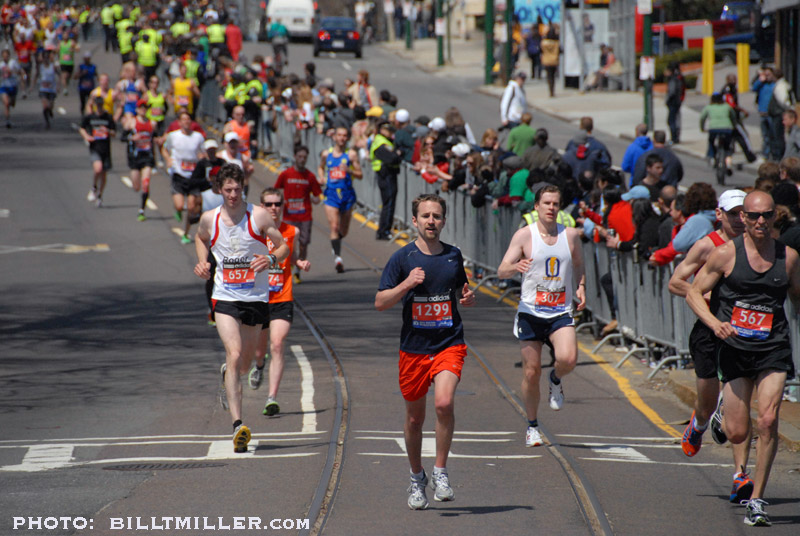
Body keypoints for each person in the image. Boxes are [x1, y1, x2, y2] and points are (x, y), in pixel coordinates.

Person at [686, 190, 800, 527]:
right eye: (753, 216)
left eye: (767, 215)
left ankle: (757, 499)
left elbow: (797, 299)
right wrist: (715, 323)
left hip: (772, 348)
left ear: (774, 217)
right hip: (734, 349)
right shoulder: (724, 255)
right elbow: (693, 291)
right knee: (737, 432)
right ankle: (724, 413)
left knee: (767, 420)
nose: (761, 221)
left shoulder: (789, 258)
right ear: (744, 220)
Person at [375, 193, 476, 510]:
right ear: (415, 221)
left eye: (437, 216)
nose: (431, 221)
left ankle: (441, 472)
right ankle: (416, 477)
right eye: (425, 216)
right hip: (414, 349)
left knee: (444, 403)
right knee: (415, 419)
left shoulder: (453, 256)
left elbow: (461, 289)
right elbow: (380, 302)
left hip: (449, 343)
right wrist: (406, 285)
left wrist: (467, 297)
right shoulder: (402, 259)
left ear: (444, 221)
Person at [193, 164, 289, 453]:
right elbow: (200, 239)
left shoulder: (257, 215)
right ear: (219, 190)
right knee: (233, 354)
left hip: (256, 299)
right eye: (228, 190)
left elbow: (282, 246)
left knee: (244, 365)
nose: (233, 195)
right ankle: (238, 426)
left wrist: (270, 259)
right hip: (224, 297)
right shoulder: (210, 219)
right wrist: (204, 262)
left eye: (238, 189)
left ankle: (229, 374)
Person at [668, 189, 754, 504]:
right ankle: (701, 421)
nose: (738, 219)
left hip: (742, 335)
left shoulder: (756, 246)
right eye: (732, 213)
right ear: (719, 214)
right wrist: (703, 297)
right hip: (708, 331)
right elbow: (676, 281)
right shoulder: (708, 245)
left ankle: (740, 475)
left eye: (742, 213)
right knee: (707, 401)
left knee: (740, 408)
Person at [497, 185, 586, 447]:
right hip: (531, 311)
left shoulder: (570, 236)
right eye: (546, 203)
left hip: (559, 310)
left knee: (568, 359)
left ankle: (556, 379)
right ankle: (532, 426)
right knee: (531, 372)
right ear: (536, 207)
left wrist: (580, 286)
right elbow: (502, 269)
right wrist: (515, 266)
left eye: (555, 204)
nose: (551, 208)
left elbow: (579, 263)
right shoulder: (525, 235)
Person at [247, 188, 312, 415]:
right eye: (269, 204)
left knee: (277, 344)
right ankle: (259, 365)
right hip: (258, 297)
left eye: (278, 204)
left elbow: (290, 255)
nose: (274, 208)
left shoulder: (290, 231)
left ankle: (271, 397)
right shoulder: (253, 232)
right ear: (261, 206)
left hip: (282, 297)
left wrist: (299, 263)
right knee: (259, 350)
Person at [318, 126, 363, 272]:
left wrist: (349, 170)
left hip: (347, 195)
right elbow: (320, 167)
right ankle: (338, 258)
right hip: (331, 194)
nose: (342, 138)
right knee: (334, 226)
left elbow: (360, 174)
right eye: (339, 135)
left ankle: (335, 242)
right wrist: (322, 177)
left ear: (347, 138)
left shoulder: (351, 155)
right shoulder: (326, 154)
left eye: (345, 136)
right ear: (334, 137)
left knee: (343, 230)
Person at [274, 145, 322, 282]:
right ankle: (286, 268)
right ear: (295, 157)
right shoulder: (286, 174)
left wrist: (315, 199)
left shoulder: (310, 176)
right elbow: (276, 190)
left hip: (305, 216)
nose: (302, 159)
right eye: (300, 157)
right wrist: (280, 202)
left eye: (304, 157)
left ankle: (297, 271)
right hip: (289, 215)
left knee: (303, 244)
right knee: (288, 244)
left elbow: (318, 196)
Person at [162, 111, 206, 244]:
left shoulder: (198, 137)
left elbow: (202, 152)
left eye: (188, 119)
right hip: (179, 174)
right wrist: (168, 159)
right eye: (183, 119)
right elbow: (164, 149)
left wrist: (201, 158)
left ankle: (186, 234)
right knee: (180, 205)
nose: (186, 122)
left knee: (192, 208)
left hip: (193, 176)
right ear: (179, 122)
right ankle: (178, 210)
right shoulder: (173, 136)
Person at [78, 96, 116, 208]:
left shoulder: (108, 117)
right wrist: (87, 137)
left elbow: (114, 133)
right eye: (97, 105)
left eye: (100, 105)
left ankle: (100, 195)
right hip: (95, 147)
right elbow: (82, 128)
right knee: (98, 168)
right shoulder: (90, 117)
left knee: (104, 174)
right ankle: (94, 187)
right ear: (94, 105)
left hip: (106, 148)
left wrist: (107, 131)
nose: (99, 107)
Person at [123, 99, 156, 221]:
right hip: (135, 157)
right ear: (137, 109)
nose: (143, 109)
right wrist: (132, 138)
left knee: (145, 183)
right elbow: (122, 137)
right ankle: (139, 195)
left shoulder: (152, 123)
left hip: (147, 157)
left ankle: (141, 210)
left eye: (145, 107)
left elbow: (156, 137)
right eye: (141, 107)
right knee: (136, 186)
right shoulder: (131, 122)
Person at [371, 121, 403, 241]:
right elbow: (393, 158)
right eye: (388, 130)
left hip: (387, 174)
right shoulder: (381, 142)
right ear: (382, 130)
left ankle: (383, 230)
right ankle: (384, 231)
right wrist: (397, 154)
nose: (391, 133)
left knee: (388, 203)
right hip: (386, 174)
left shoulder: (384, 141)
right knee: (389, 203)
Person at [699, 93, 736, 170]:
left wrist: (702, 128)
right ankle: (728, 163)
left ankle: (712, 157)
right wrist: (734, 126)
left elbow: (702, 118)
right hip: (727, 128)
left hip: (713, 129)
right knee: (727, 146)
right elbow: (733, 117)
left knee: (711, 143)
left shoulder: (709, 107)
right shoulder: (727, 106)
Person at [35, 49, 59, 128]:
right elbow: (36, 75)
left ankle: (50, 111)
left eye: (47, 58)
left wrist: (59, 85)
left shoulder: (53, 66)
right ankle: (47, 122)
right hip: (43, 90)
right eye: (44, 58)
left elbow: (60, 75)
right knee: (45, 106)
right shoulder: (40, 67)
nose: (45, 59)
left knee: (50, 106)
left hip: (52, 89)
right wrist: (32, 86)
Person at [0, 47, 23, 128]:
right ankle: (7, 121)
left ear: (9, 56)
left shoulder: (13, 63)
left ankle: (12, 102)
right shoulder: (1, 65)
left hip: (13, 86)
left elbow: (20, 71)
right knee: (6, 104)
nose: (5, 58)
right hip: (4, 87)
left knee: (11, 103)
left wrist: (17, 73)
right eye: (4, 56)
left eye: (6, 56)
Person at [665, 62, 685, 144]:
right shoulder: (679, 78)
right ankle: (675, 137)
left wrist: (667, 100)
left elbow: (672, 92)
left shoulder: (673, 79)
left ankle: (674, 138)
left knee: (671, 120)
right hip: (678, 102)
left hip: (673, 102)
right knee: (675, 119)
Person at [74, 52, 96, 116]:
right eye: (85, 58)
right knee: (83, 102)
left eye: (88, 58)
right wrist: (82, 73)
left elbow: (96, 75)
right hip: (82, 88)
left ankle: (90, 114)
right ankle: (83, 114)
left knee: (91, 102)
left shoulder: (93, 66)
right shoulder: (81, 67)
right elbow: (75, 77)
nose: (87, 60)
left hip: (90, 88)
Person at [540, 27, 559, 98]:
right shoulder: (556, 43)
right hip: (554, 61)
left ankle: (550, 90)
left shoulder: (544, 43)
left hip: (546, 61)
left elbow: (540, 50)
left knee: (549, 76)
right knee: (553, 76)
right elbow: (561, 50)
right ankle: (553, 90)